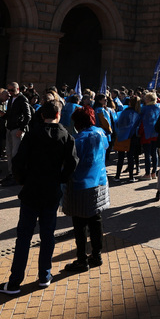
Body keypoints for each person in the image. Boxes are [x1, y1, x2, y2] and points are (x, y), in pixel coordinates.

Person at [0, 100, 78, 294]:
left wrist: (22, 179)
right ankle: (44, 275)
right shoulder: (66, 136)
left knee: (24, 236)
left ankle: (15, 281)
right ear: (59, 115)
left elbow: (17, 161)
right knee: (47, 234)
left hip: (32, 189)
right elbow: (72, 163)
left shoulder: (32, 134)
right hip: (51, 190)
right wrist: (61, 179)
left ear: (42, 115)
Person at [62, 108, 111, 272]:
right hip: (100, 181)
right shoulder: (100, 133)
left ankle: (82, 259)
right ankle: (96, 255)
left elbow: (71, 163)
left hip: (81, 184)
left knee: (80, 223)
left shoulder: (78, 139)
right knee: (96, 220)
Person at [0, 82, 33, 185]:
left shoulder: (23, 99)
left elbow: (28, 116)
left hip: (16, 129)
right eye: (8, 90)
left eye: (12, 90)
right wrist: (3, 115)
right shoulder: (10, 99)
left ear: (18, 89)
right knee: (9, 153)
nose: (10, 92)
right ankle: (11, 173)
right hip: (9, 128)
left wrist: (21, 129)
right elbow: (10, 114)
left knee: (15, 154)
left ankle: (16, 175)